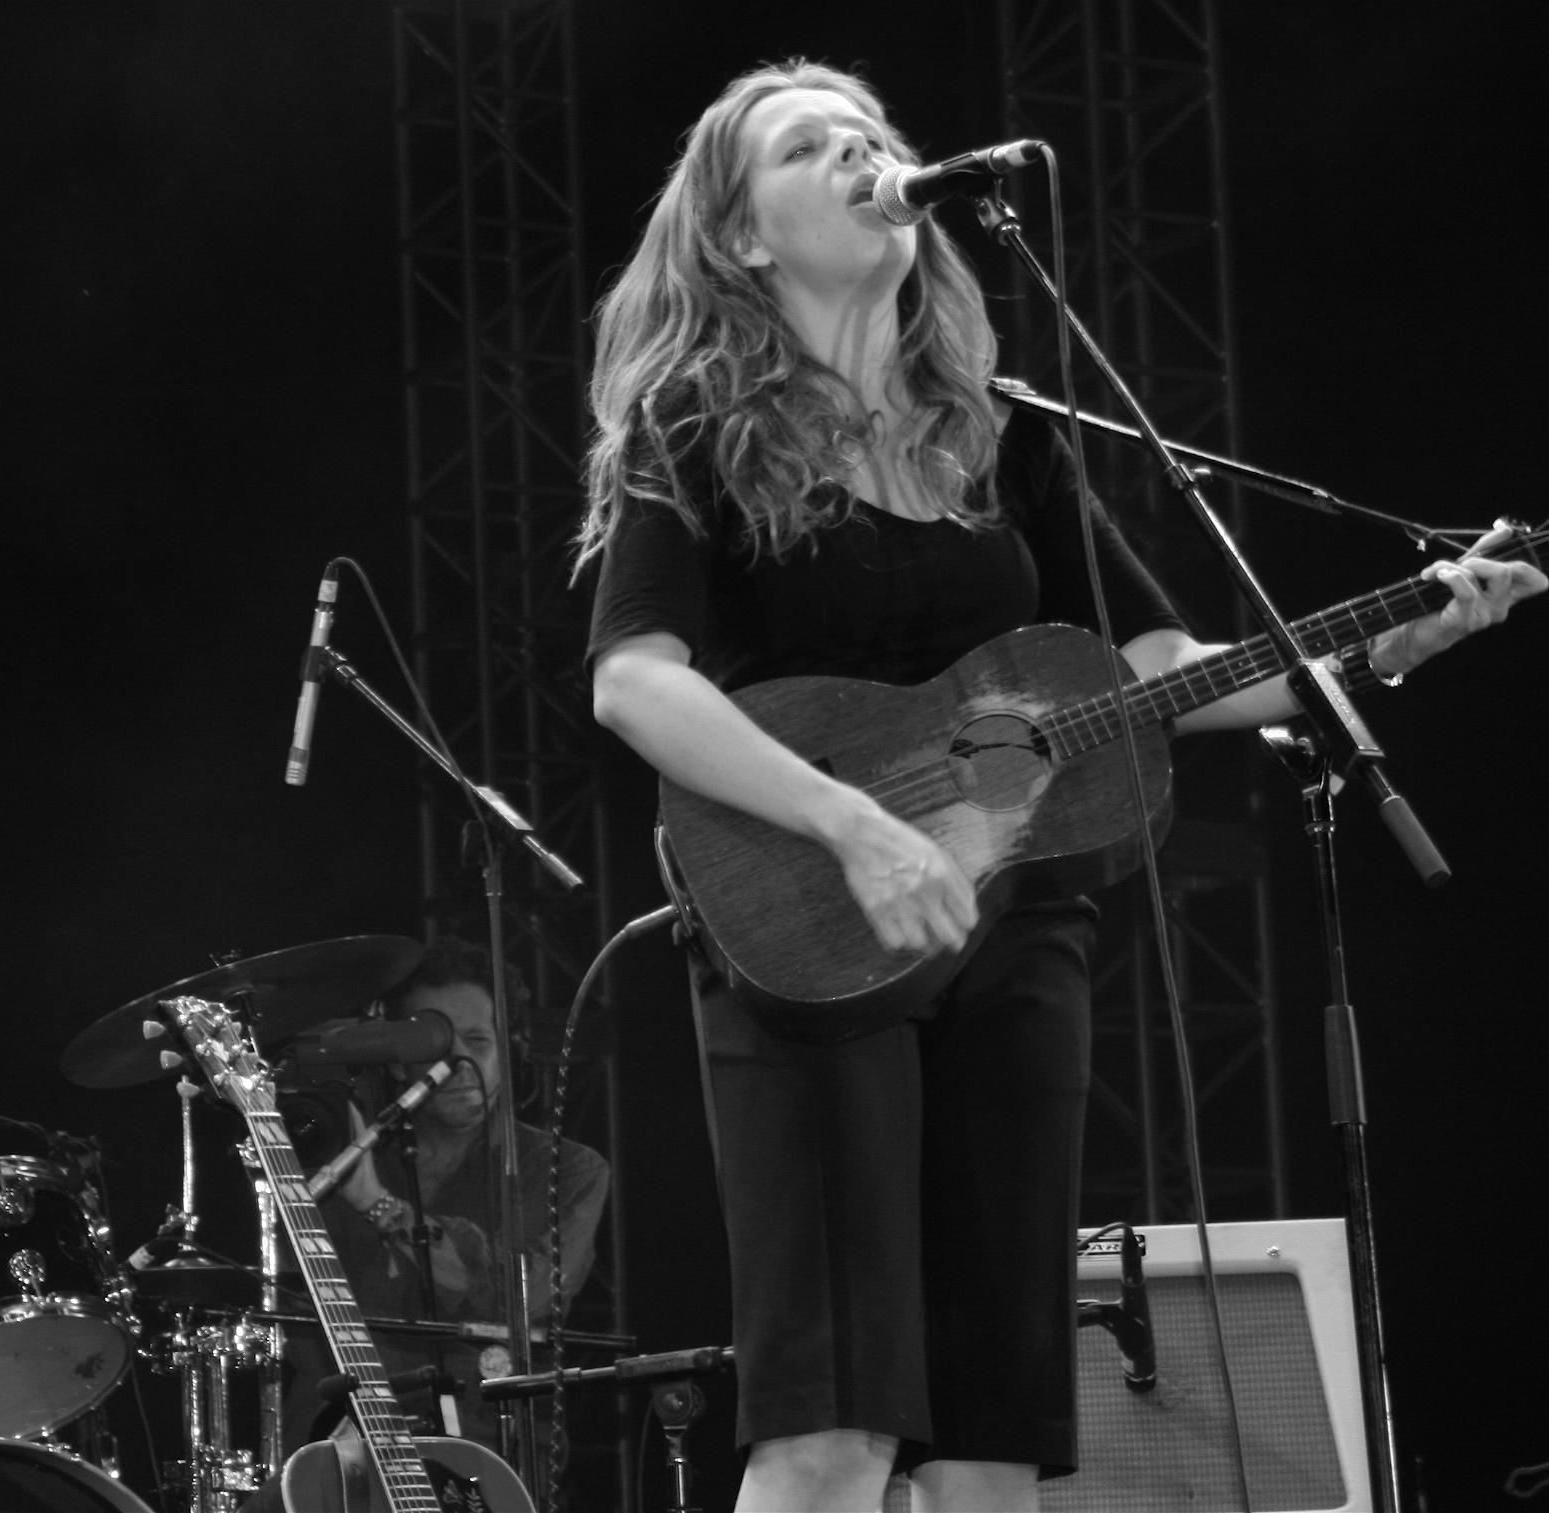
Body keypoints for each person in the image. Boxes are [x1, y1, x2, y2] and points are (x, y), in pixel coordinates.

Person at [578, 59, 1543, 1513]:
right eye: (809, 147)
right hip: (802, 918)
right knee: (830, 1420)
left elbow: (1149, 661)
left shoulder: (1000, 431)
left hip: (1021, 921)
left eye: (872, 136)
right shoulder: (692, 433)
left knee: (993, 1427)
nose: (863, 155)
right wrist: (848, 824)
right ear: (741, 237)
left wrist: (1388, 642)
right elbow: (633, 678)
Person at [284, 935, 611, 1457]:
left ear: (510, 1050)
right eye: (437, 1044)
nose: (459, 1063)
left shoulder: (567, 1169)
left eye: (478, 1041)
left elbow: (516, 1304)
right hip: (337, 1444)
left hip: (489, 1447)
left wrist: (378, 1204)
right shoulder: (336, 1151)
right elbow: (290, 1316)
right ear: (395, 1061)